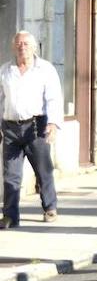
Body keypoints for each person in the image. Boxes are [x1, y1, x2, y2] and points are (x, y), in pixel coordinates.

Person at [1, 31, 64, 228]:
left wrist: (53, 124)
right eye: (19, 44)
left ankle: (50, 207)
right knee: (11, 175)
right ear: (14, 47)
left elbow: (54, 98)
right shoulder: (5, 71)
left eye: (26, 44)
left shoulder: (45, 69)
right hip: (10, 127)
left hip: (37, 126)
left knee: (43, 170)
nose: (22, 47)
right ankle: (10, 216)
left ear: (34, 47)